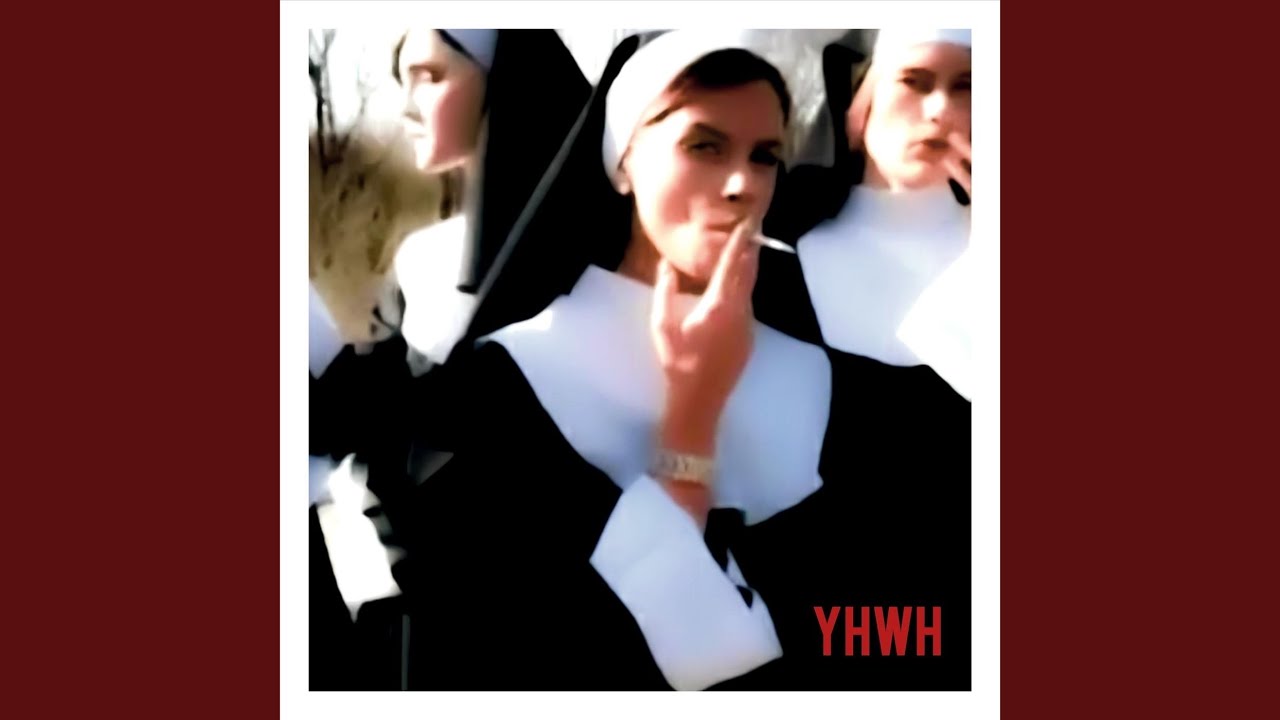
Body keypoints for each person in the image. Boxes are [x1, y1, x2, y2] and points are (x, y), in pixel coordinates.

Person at [392, 29, 969, 691]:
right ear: (622, 164)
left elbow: (921, 637)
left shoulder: (873, 401)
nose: (741, 184)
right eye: (704, 146)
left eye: (765, 156)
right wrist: (690, 427)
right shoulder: (492, 399)